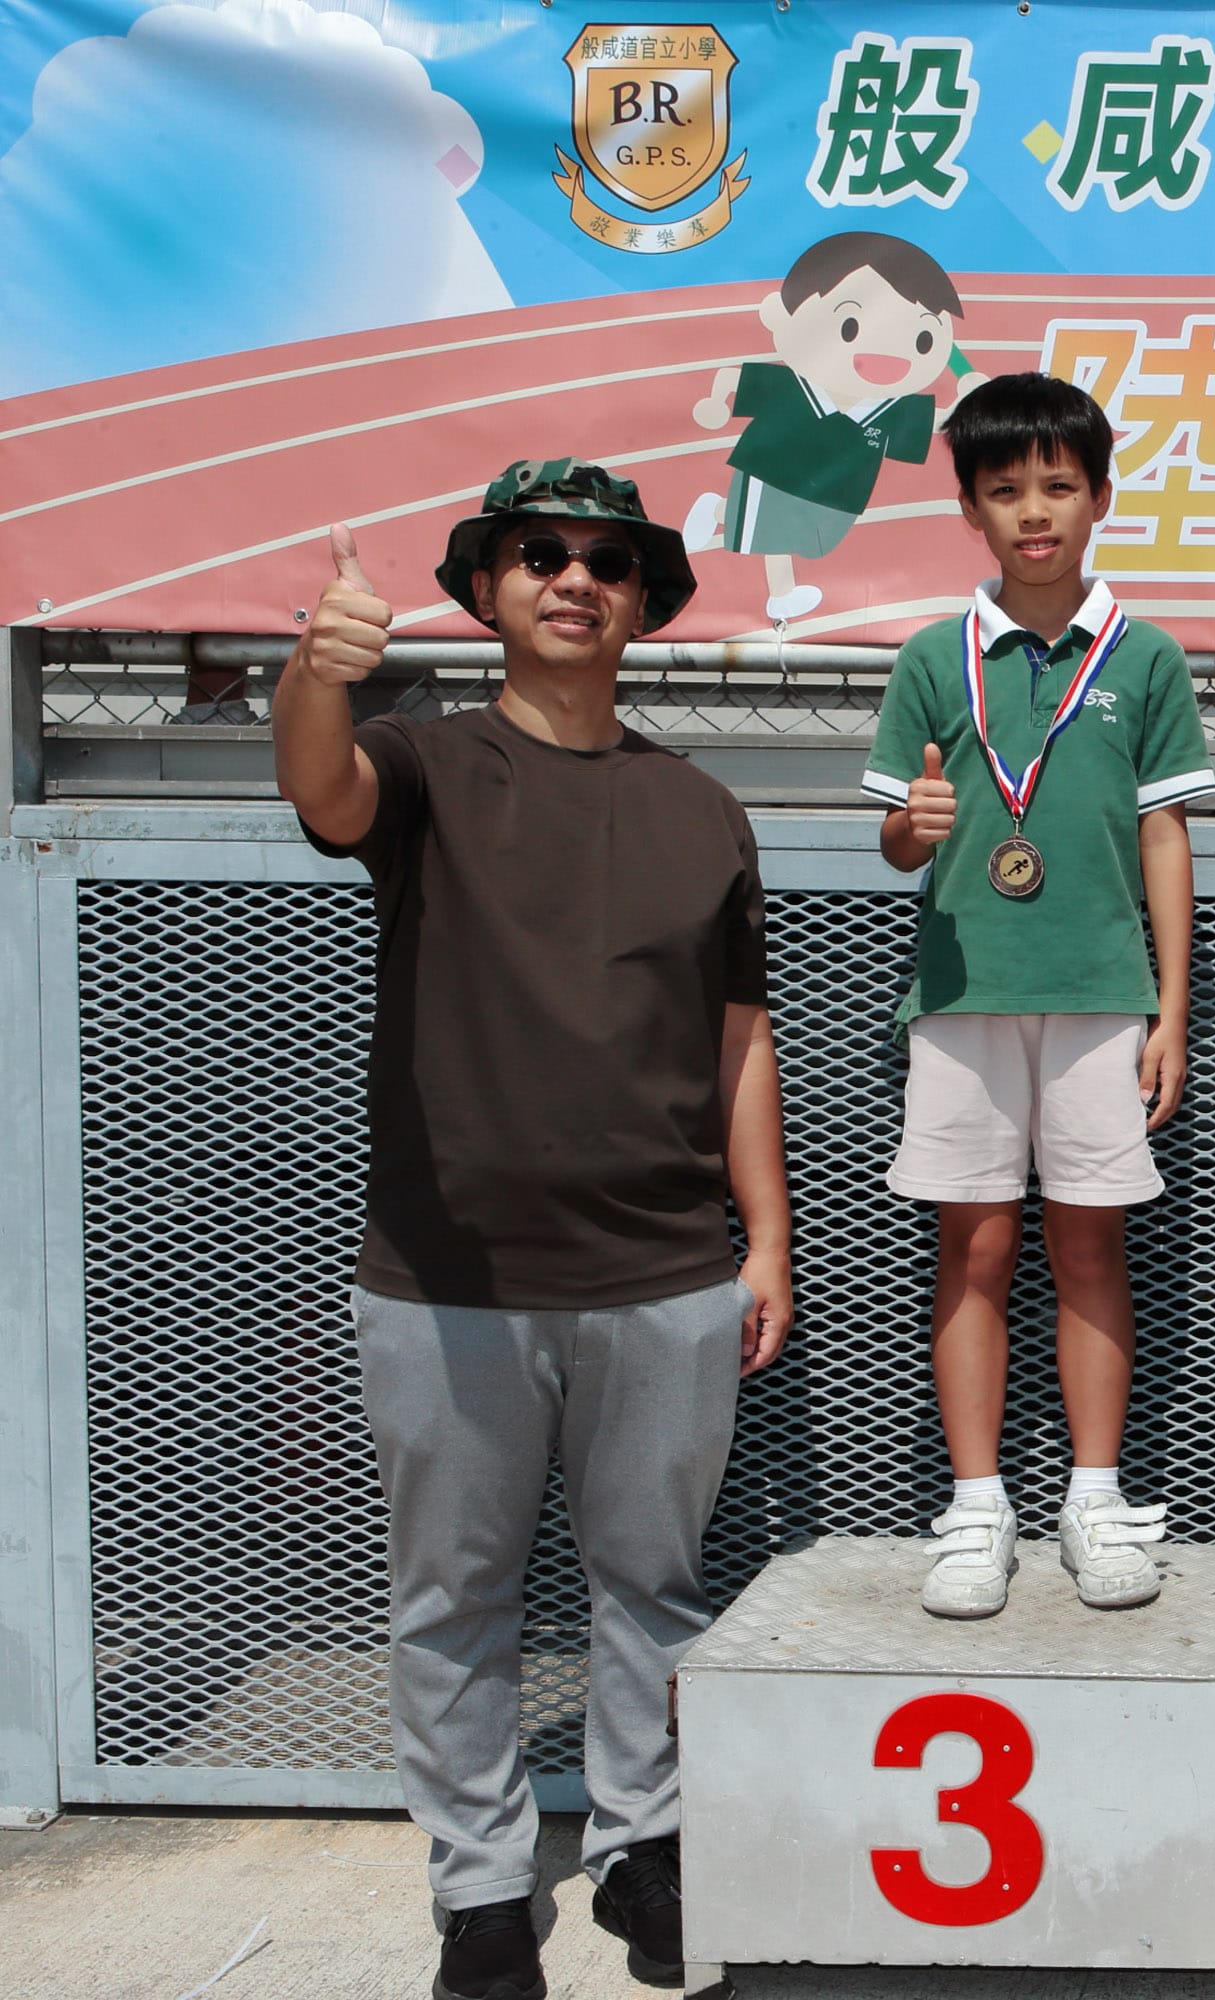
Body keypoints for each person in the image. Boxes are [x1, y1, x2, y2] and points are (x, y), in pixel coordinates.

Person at [272, 460, 791, 1998]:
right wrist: (315, 673)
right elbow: (320, 789)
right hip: (450, 1278)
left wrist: (767, 1239)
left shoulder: (704, 809)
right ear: (489, 589)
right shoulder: (423, 764)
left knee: (655, 1589)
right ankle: (485, 1892)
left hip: (667, 1271)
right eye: (541, 554)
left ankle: (641, 1852)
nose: (576, 580)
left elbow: (741, 1039)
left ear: (645, 601)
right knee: (453, 1600)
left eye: (608, 562)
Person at [861, 373, 1215, 1620]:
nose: (1035, 511)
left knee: (1089, 1243)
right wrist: (911, 826)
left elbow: (1164, 835)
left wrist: (1172, 1007)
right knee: (973, 1246)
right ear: (969, 506)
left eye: (1059, 485)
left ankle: (1095, 1494)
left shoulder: (1145, 657)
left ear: (1101, 496)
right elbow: (898, 844)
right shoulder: (932, 658)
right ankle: (976, 1504)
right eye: (1005, 488)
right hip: (963, 996)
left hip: (1103, 992)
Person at [684, 230, 976, 624]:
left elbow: (941, 422)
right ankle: (781, 595)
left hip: (838, 494)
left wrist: (967, 400)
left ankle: (717, 509)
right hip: (772, 473)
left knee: (814, 542)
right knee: (772, 532)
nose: (886, 355)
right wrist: (715, 403)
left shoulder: (887, 408)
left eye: (923, 339)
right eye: (850, 327)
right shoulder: (791, 388)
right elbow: (732, 379)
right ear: (780, 318)